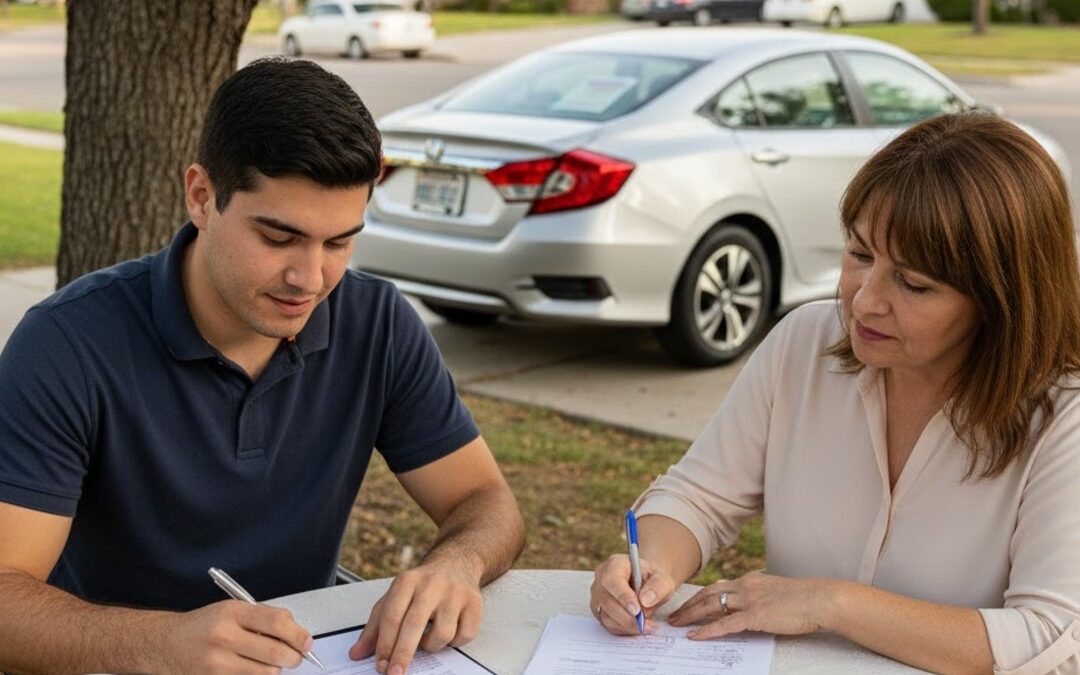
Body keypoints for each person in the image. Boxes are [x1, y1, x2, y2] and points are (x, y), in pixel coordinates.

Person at [0, 57, 524, 675]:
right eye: (278, 239)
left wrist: (454, 562)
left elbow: (485, 500)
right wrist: (161, 645)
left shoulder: (377, 323)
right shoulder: (68, 342)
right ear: (201, 196)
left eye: (339, 242)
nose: (310, 279)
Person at [590, 112, 1080, 674]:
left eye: (914, 283)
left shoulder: (1065, 415)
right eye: (860, 255)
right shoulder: (804, 343)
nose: (864, 300)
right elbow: (699, 496)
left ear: (1002, 299)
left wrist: (830, 603)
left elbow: (1054, 640)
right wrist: (649, 567)